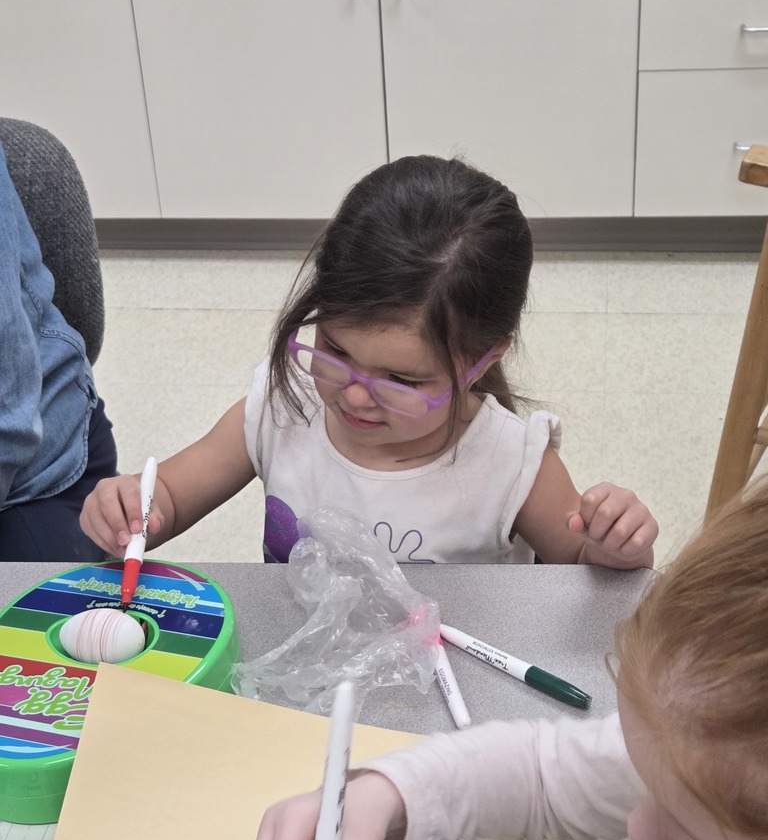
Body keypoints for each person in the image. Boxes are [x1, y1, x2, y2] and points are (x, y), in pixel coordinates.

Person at [249, 480, 768, 840]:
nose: (639, 830)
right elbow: (541, 777)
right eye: (641, 774)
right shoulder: (699, 753)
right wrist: (388, 799)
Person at [80, 155, 657, 567]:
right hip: (303, 685)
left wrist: (614, 546)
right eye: (335, 350)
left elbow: (583, 572)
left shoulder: (512, 463)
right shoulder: (284, 408)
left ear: (482, 360)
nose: (355, 395)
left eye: (403, 380)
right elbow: (170, 498)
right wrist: (130, 509)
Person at [0, 139, 117, 561]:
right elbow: (170, 497)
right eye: (329, 351)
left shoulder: (278, 410)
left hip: (27, 469)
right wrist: (145, 503)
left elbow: (8, 411)